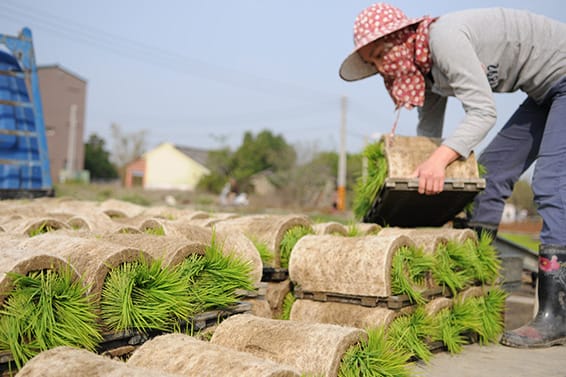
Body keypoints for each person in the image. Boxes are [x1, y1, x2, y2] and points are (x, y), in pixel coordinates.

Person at [339, 3, 566, 348]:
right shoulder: (427, 74)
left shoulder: (443, 40)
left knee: (550, 183)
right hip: (543, 93)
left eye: (382, 54)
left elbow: (483, 113)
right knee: (488, 176)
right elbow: (429, 136)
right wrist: (408, 179)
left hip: (562, 78)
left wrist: (438, 163)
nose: (382, 67)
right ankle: (476, 294)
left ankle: (556, 312)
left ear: (403, 37)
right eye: (374, 63)